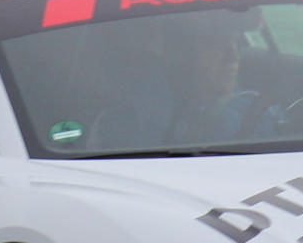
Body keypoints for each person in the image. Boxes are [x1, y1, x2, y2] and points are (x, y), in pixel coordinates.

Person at [89, 13, 284, 151]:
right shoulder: (136, 114)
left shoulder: (253, 105)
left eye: (234, 41)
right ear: (180, 54)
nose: (233, 56)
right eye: (214, 45)